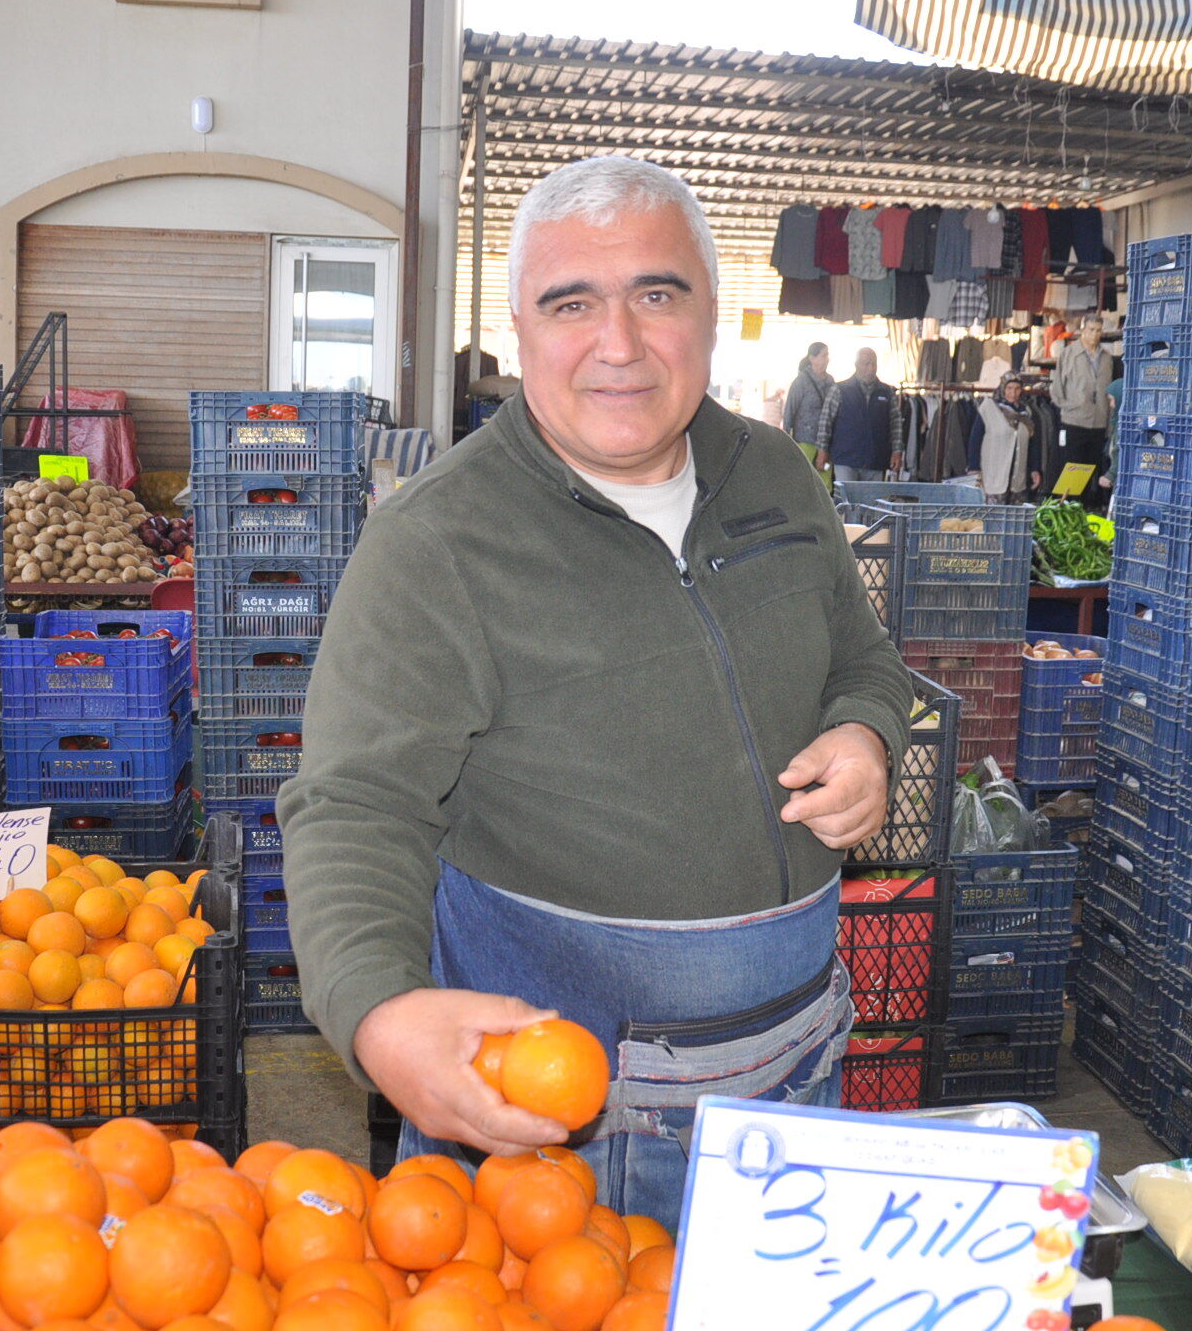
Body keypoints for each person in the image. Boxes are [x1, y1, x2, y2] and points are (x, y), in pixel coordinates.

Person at [278, 156, 911, 1223]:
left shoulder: (776, 473)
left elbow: (862, 652)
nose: (616, 344)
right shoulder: (435, 541)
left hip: (795, 1072)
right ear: (519, 330)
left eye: (655, 294)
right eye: (570, 303)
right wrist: (382, 1011)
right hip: (561, 1135)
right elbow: (353, 807)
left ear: (711, 314)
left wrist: (863, 729)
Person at [1052, 316, 1114, 501]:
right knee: (1070, 472)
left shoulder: (1106, 358)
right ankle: (1065, 511)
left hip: (1098, 423)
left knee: (1090, 471)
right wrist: (1070, 406)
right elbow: (1056, 388)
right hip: (1074, 422)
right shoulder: (1069, 354)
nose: (1094, 334)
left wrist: (1109, 422)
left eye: (1098, 330)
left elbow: (1108, 391)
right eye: (1091, 329)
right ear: (1082, 330)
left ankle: (1083, 511)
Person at [816, 347, 899, 484]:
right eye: (866, 364)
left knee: (872, 504)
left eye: (873, 364)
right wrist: (822, 450)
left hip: (875, 460)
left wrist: (897, 451)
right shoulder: (840, 390)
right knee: (846, 502)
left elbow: (896, 425)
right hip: (845, 459)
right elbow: (826, 422)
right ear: (856, 365)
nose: (870, 368)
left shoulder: (887, 392)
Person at [979, 375, 1037, 503]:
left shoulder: (1026, 413)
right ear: (1003, 388)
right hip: (994, 473)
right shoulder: (989, 408)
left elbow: (1032, 444)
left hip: (1017, 478)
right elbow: (975, 439)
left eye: (1017, 388)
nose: (1013, 393)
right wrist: (973, 468)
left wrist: (1034, 469)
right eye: (1009, 388)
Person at [781, 342, 835, 469]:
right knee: (802, 476)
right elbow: (790, 410)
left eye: (827, 355)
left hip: (826, 443)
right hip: (805, 441)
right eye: (823, 355)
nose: (827, 359)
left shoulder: (830, 381)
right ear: (812, 358)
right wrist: (786, 440)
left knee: (825, 480)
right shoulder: (801, 381)